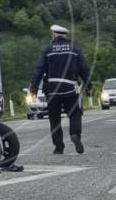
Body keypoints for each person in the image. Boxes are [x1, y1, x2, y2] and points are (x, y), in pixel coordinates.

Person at [30, 25, 92, 154]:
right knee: (75, 114)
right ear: (65, 36)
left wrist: (34, 87)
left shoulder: (47, 50)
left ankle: (59, 147)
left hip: (52, 90)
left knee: (54, 118)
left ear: (54, 35)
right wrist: (89, 86)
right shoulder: (75, 50)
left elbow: (39, 69)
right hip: (70, 89)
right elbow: (84, 69)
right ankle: (75, 135)